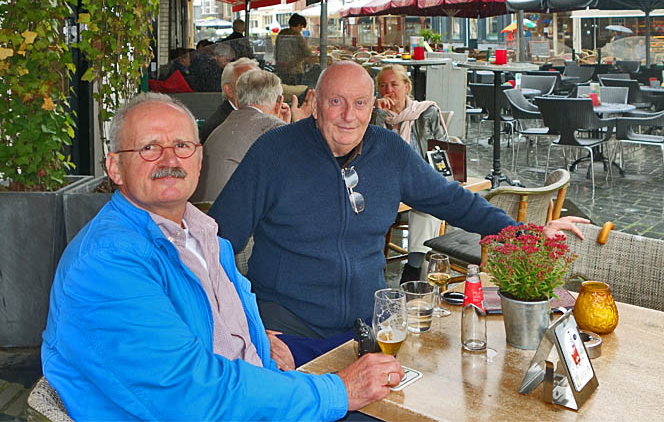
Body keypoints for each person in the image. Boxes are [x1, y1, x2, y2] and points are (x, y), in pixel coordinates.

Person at [41, 92, 403, 421]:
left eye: (182, 145)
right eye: (149, 148)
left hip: (247, 395)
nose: (170, 159)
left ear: (199, 159)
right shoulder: (108, 263)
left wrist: (258, 339)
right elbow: (191, 395)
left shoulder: (198, 232)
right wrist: (338, 391)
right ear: (114, 167)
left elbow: (214, 332)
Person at [209, 61, 587, 353]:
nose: (348, 115)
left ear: (373, 106)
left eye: (359, 103)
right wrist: (244, 320)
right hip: (289, 329)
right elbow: (217, 242)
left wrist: (524, 233)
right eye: (336, 102)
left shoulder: (388, 151)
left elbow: (454, 201)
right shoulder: (274, 152)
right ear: (316, 103)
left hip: (370, 327)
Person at [371, 64, 449, 283]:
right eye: (383, 85)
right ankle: (372, 268)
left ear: (407, 86)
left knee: (428, 205)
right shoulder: (373, 115)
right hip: (385, 192)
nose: (389, 90)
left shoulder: (426, 112)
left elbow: (441, 152)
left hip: (419, 186)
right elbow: (368, 152)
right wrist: (376, 114)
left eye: (394, 84)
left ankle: (413, 268)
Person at [193, 70, 315, 203]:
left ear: (238, 101)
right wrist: (301, 124)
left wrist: (286, 127)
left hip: (208, 213)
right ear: (279, 102)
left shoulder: (223, 125)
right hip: (235, 214)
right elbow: (304, 172)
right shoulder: (271, 127)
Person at [199, 57, 259, 144]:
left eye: (258, 83)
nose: (257, 89)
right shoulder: (219, 126)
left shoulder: (255, 116)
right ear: (229, 90)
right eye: (247, 83)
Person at [274, 13, 313, 85]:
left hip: (281, 69)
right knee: (295, 91)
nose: (301, 29)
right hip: (294, 69)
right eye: (301, 27)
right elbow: (306, 51)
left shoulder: (281, 33)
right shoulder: (297, 35)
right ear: (299, 25)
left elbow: (276, 50)